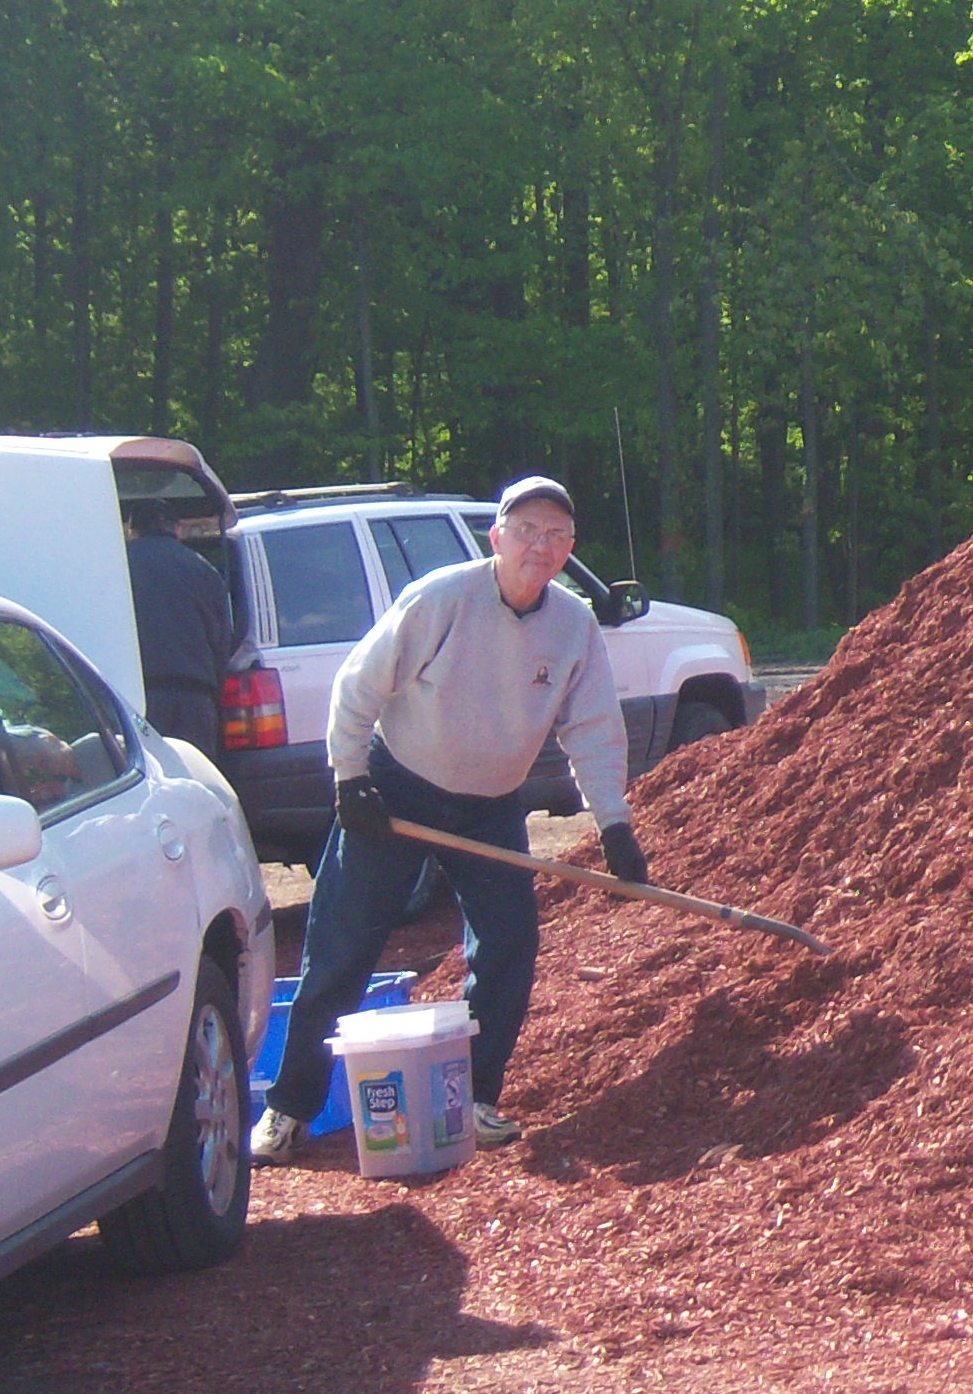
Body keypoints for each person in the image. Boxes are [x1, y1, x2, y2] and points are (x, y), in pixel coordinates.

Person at [248, 475, 651, 1160]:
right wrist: (350, 783)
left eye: (556, 536)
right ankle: (289, 1109)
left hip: (491, 805)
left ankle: (474, 1099)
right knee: (341, 949)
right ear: (496, 537)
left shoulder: (574, 626)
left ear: (570, 549)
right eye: (526, 531)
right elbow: (357, 687)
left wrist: (613, 824)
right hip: (393, 790)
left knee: (507, 947)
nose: (540, 547)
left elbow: (593, 730)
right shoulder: (441, 599)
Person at [126, 499, 237, 761]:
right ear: (177, 530)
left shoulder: (117, 567)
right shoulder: (204, 570)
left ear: (132, 530)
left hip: (137, 699)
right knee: (197, 781)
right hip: (194, 697)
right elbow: (222, 641)